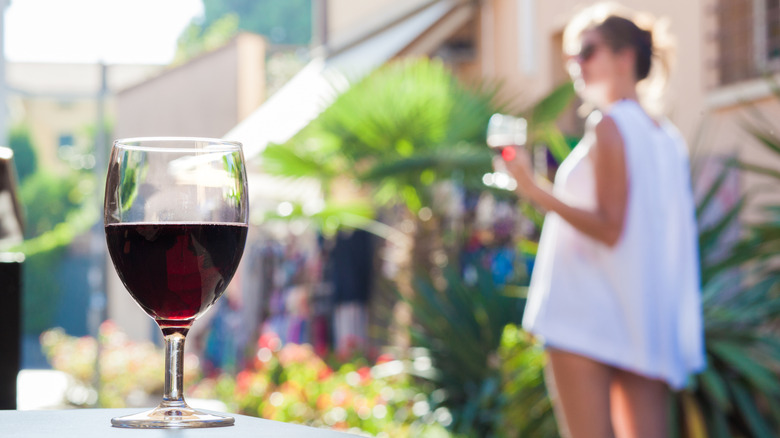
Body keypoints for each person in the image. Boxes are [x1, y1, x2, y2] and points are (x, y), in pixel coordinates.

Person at [496, 4, 705, 438]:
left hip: (583, 312)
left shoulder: (610, 125)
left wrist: (534, 191)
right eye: (573, 54)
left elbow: (611, 227)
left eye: (587, 51)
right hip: (642, 315)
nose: (576, 64)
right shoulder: (665, 136)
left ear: (624, 56)